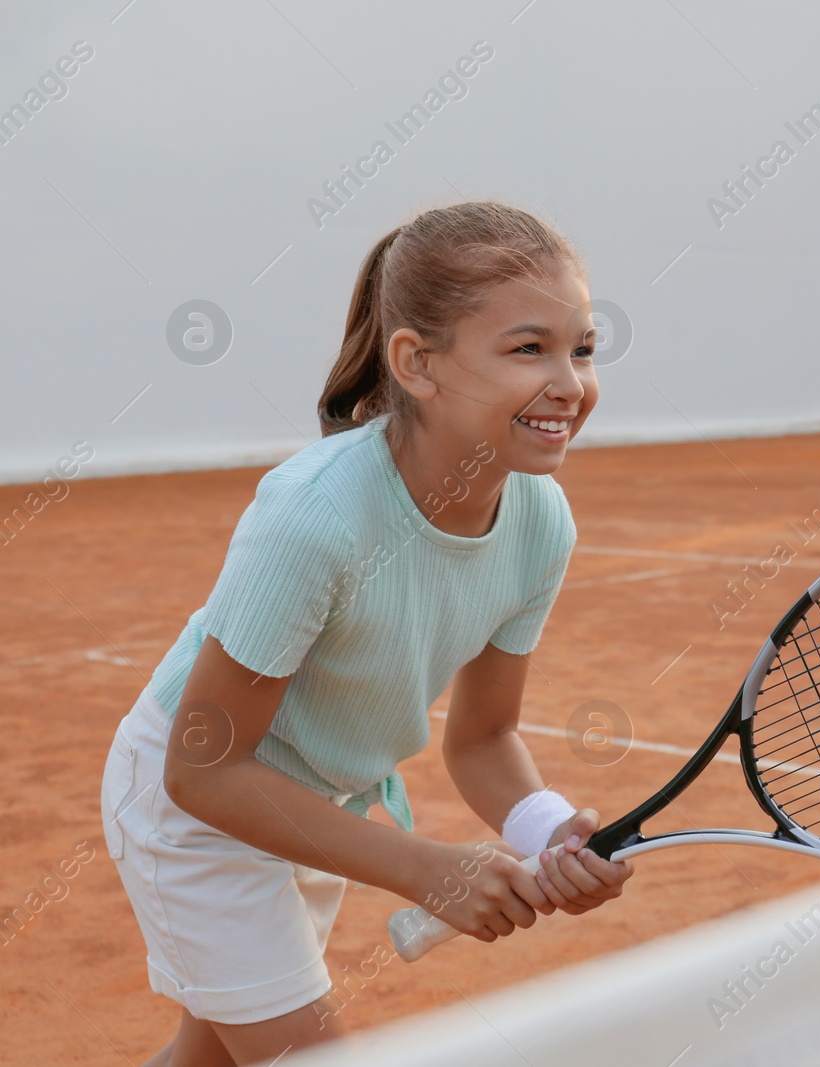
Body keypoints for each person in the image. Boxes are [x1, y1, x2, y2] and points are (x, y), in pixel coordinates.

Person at [99, 201, 632, 1066]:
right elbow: (201, 768)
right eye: (528, 348)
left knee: (212, 1059)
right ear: (416, 364)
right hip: (194, 808)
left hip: (316, 809)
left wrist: (548, 832)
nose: (569, 381)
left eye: (583, 347)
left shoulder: (541, 519)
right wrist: (426, 868)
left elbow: (486, 737)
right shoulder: (317, 515)